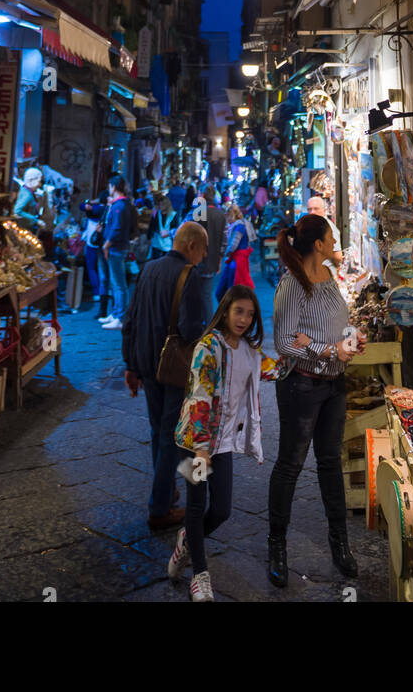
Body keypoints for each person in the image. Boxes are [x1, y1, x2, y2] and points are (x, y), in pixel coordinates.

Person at [168, 286, 300, 602]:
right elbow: (200, 396)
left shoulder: (249, 352)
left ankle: (187, 540)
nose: (244, 319)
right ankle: (199, 576)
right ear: (225, 310)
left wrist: (298, 346)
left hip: (223, 443)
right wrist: (201, 447)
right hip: (193, 442)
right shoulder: (207, 348)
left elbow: (277, 370)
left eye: (250, 314)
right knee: (196, 505)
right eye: (238, 311)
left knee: (223, 510)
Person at [267, 213, 366, 589]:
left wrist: (351, 338)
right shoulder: (293, 285)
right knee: (290, 466)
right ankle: (277, 546)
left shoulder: (329, 278)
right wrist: (328, 350)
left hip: (334, 386)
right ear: (319, 244)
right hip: (301, 387)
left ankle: (339, 544)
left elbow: (335, 323)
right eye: (331, 236)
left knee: (330, 464)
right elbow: (285, 342)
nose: (335, 241)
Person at [122, 220, 208, 531]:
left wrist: (130, 364)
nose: (204, 255)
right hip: (172, 367)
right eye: (203, 249)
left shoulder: (148, 268)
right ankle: (159, 507)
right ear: (191, 246)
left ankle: (167, 490)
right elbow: (189, 328)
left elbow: (130, 318)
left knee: (158, 429)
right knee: (172, 435)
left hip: (145, 361)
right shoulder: (189, 274)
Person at [101, 175, 136, 328]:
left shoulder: (119, 206)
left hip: (116, 248)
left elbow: (117, 228)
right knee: (116, 282)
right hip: (118, 247)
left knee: (119, 283)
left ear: (113, 187)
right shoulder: (122, 205)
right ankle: (116, 313)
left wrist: (106, 244)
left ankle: (120, 317)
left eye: (110, 187)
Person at [195, 183, 226, 324]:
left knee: (199, 294)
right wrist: (219, 260)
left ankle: (204, 323)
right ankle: (207, 323)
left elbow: (193, 234)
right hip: (212, 260)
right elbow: (224, 241)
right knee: (206, 294)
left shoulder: (200, 211)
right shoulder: (220, 214)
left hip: (198, 259)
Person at [215, 204, 255, 302]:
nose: (226, 219)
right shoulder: (241, 225)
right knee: (229, 290)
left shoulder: (239, 226)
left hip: (236, 262)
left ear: (231, 215)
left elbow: (233, 245)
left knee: (230, 290)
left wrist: (224, 253)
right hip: (236, 261)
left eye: (227, 216)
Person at [81, 201, 105, 303]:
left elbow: (82, 206)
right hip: (102, 244)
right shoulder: (105, 212)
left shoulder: (92, 218)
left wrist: (89, 204)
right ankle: (103, 292)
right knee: (102, 269)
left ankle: (96, 292)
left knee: (91, 268)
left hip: (92, 245)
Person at [13, 167, 44, 232]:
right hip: (24, 228)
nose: (40, 185)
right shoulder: (27, 195)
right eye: (39, 181)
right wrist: (36, 220)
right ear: (31, 180)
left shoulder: (25, 191)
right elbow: (17, 210)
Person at [149, 194, 175, 259]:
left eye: (162, 205)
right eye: (159, 204)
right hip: (156, 243)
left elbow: (175, 228)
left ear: (167, 205)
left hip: (167, 244)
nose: (160, 206)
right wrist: (149, 237)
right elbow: (151, 225)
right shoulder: (156, 213)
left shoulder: (173, 214)